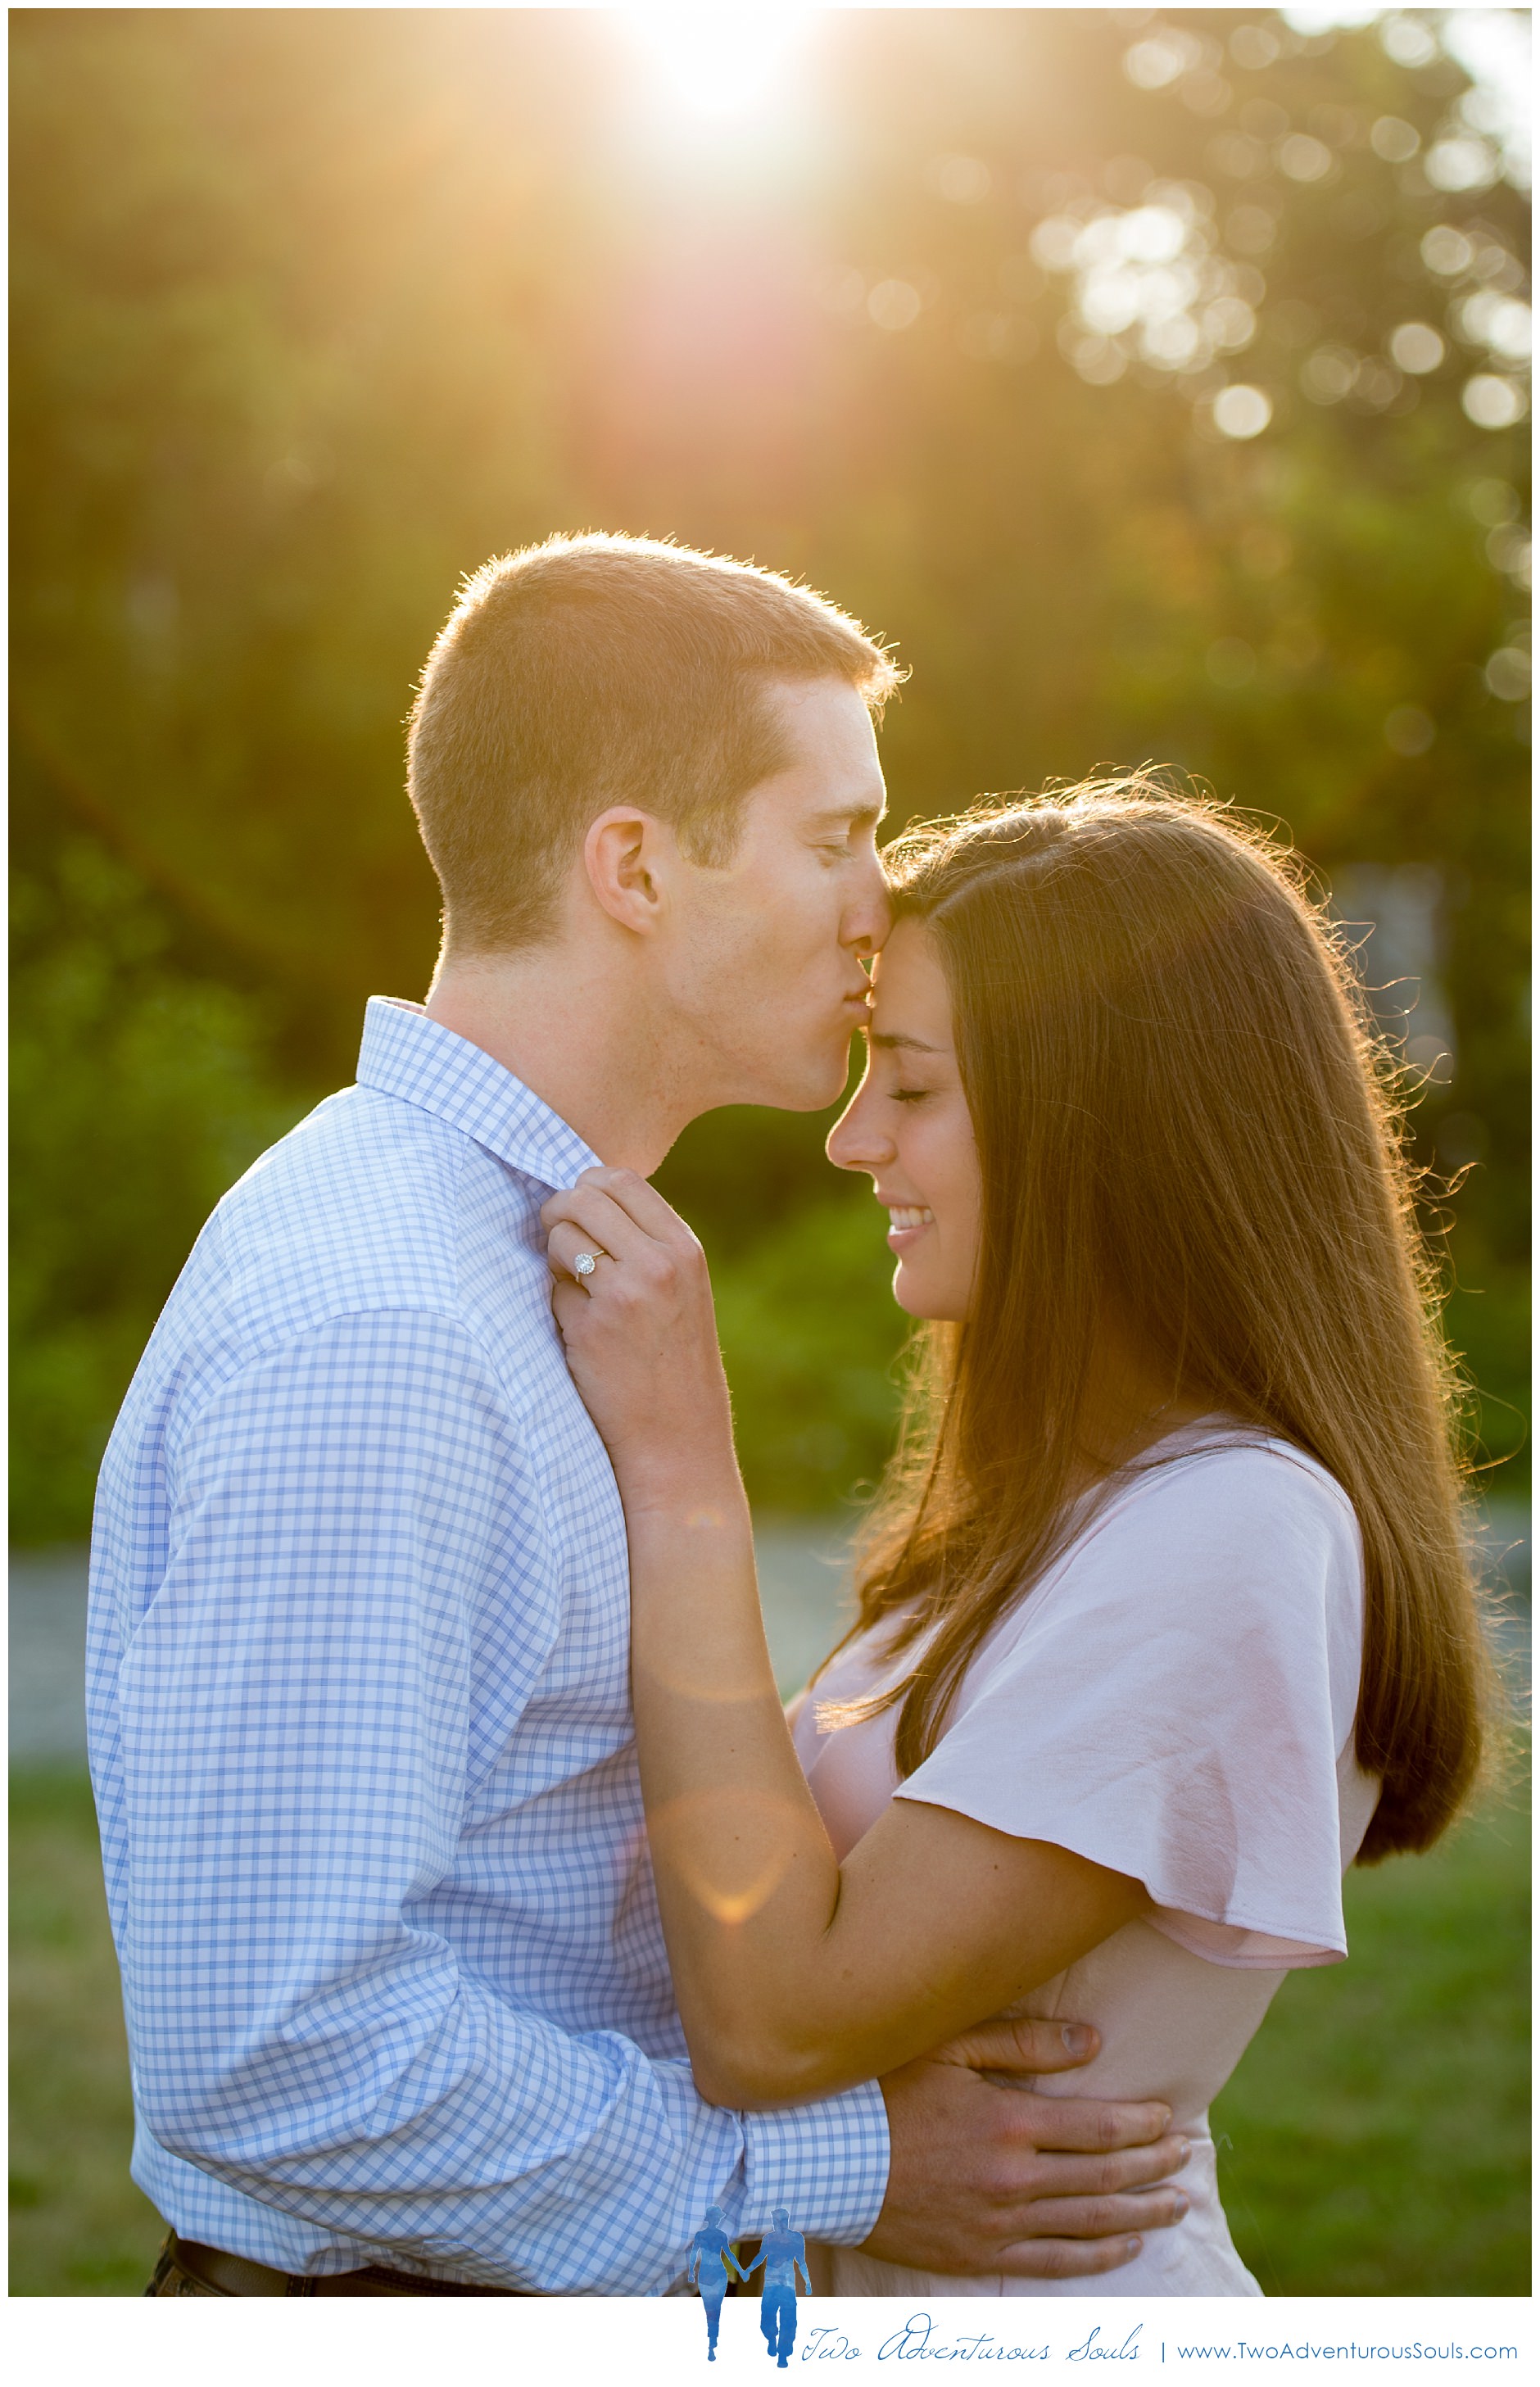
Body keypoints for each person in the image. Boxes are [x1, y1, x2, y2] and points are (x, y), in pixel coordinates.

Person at [88, 537, 1190, 2297]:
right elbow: (274, 2051)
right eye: (832, 836)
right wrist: (830, 2164)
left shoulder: (541, 1265)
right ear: (631, 865)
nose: (879, 902)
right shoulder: (387, 1325)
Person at [542, 782, 1489, 2299]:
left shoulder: (1230, 1529)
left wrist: (681, 1468)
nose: (854, 1137)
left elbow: (775, 2015)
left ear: (1102, 1128)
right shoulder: (1081, 1502)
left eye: (911, 1085)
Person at [748, 2208, 810, 2367]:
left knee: (788, 2320)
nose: (777, 2224)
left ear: (787, 2220)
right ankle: (771, 2339)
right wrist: (748, 2269)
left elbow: (801, 2262)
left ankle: (783, 2354)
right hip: (770, 2284)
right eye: (775, 2221)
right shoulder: (769, 2238)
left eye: (781, 2221)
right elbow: (761, 2256)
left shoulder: (796, 2238)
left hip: (788, 2286)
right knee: (766, 2319)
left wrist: (807, 2282)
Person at [685, 2204, 745, 2360]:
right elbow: (692, 2255)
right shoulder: (701, 2235)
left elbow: (730, 2255)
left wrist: (741, 2270)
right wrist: (691, 2272)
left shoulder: (722, 2235)